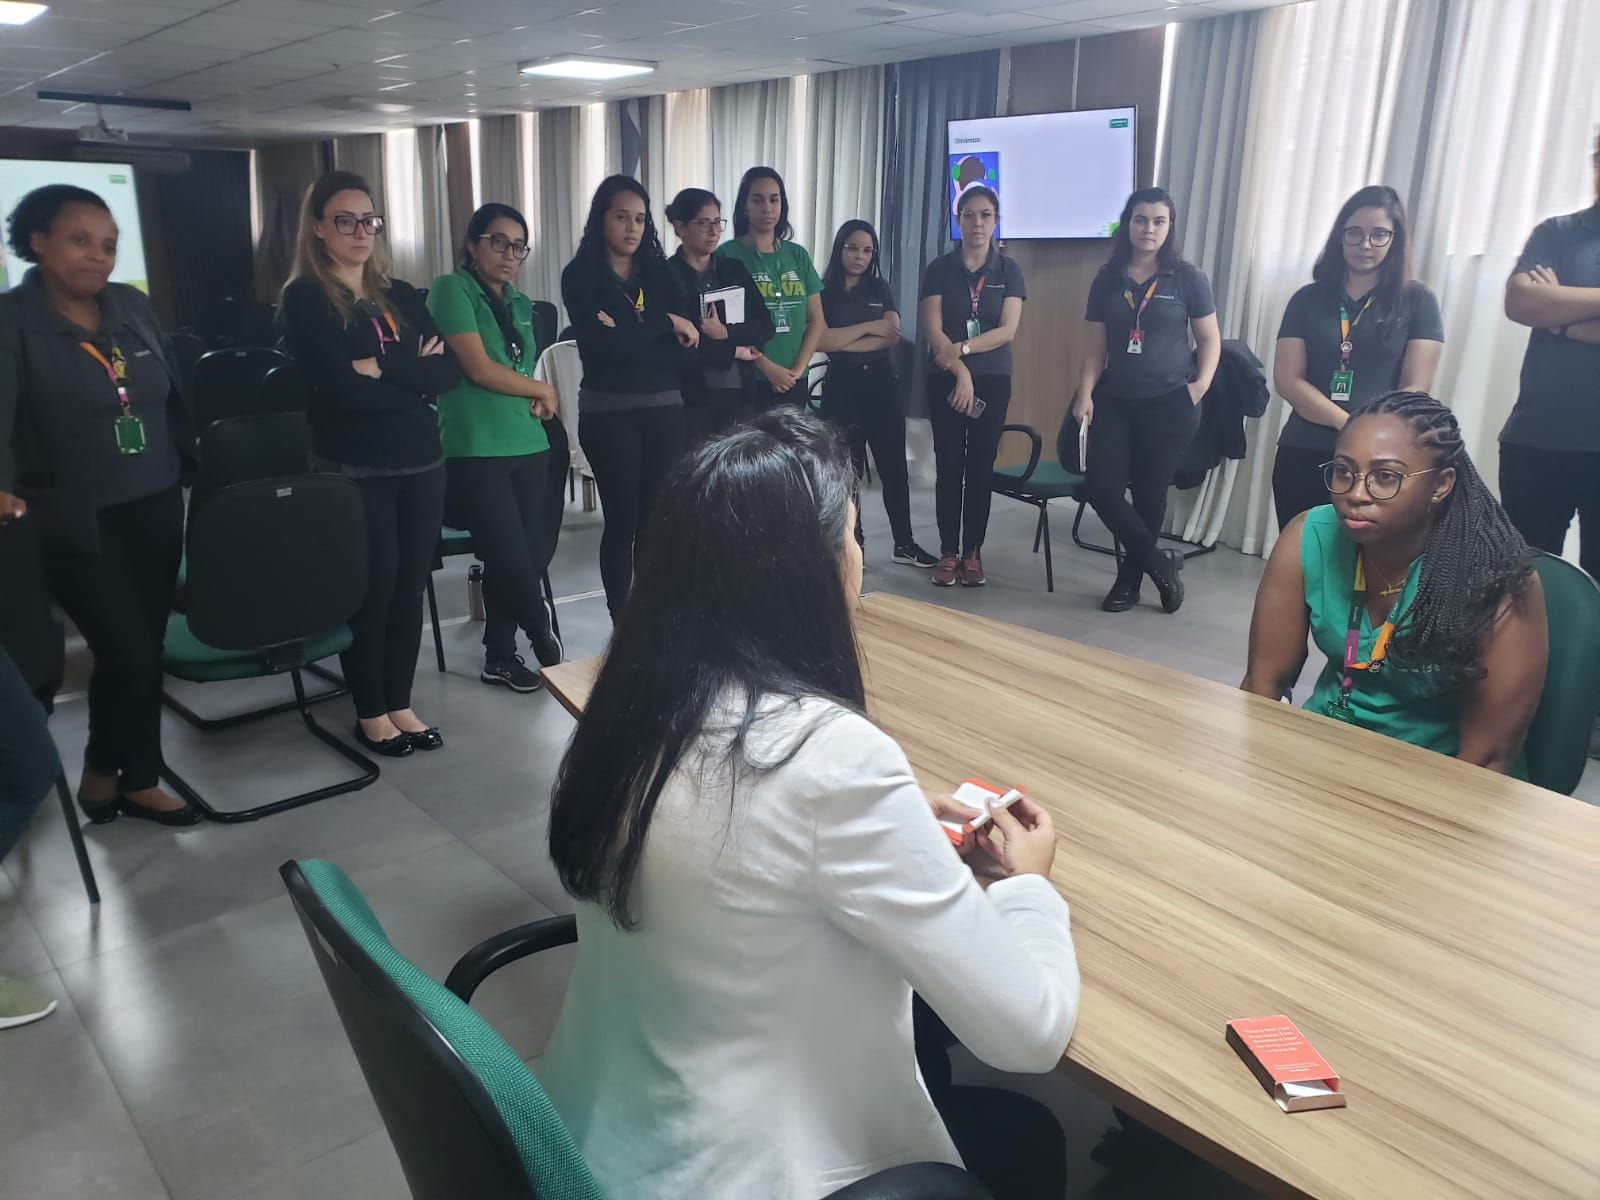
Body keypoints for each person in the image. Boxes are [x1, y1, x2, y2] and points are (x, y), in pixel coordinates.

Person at [541, 408, 1079, 1200]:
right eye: (852, 537)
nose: (859, 557)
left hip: (596, 1149)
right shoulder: (830, 760)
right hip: (742, 1175)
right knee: (1029, 1137)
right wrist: (1029, 885)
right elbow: (1029, 1036)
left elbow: (747, 834)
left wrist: (890, 825)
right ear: (813, 572)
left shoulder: (632, 710)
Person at [0, 184, 198, 825]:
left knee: (140, 649)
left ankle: (129, 777)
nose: (98, 255)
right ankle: (108, 768)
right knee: (129, 650)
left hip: (156, 502)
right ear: (38, 241)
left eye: (109, 245)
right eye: (80, 240)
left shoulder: (131, 305)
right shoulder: (12, 319)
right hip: (72, 517)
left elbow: (165, 391)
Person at [1242, 391, 1546, 775]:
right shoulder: (1309, 537)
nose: (1356, 494)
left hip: (1434, 777)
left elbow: (1487, 760)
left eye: (1385, 477)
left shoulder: (1494, 580)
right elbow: (1262, 685)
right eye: (1344, 471)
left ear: (1441, 484)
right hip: (1323, 752)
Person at [278, 170, 461, 758]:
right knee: (374, 592)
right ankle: (370, 711)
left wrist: (382, 367)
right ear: (317, 228)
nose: (361, 231)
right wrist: (411, 374)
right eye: (345, 220)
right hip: (356, 468)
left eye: (369, 220)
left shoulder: (399, 293)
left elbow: (447, 371)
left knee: (410, 589)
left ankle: (399, 701)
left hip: (421, 462)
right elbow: (338, 390)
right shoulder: (307, 298)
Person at [427, 202, 563, 695]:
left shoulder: (522, 303)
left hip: (528, 440)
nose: (509, 254)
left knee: (524, 556)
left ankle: (500, 657)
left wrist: (536, 394)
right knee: (506, 555)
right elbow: (479, 368)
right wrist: (543, 390)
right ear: (472, 244)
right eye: (498, 242)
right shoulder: (451, 289)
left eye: (519, 246)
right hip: (476, 445)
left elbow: (518, 367)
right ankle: (540, 629)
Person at [1076, 186, 1221, 615]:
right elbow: (1095, 346)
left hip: (1169, 402)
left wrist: (1200, 386)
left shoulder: (1188, 279)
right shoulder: (1108, 278)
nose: (1149, 229)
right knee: (1100, 489)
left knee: (1149, 494)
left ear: (1170, 227)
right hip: (1115, 400)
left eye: (1159, 221)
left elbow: (1209, 339)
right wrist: (1084, 392)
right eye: (1141, 220)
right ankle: (1160, 563)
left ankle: (1129, 581)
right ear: (1128, 224)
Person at [560, 174, 698, 619]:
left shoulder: (660, 274)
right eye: (622, 217)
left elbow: (683, 352)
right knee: (622, 522)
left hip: (665, 411)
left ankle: (653, 619)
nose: (632, 227)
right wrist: (665, 322)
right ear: (601, 218)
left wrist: (627, 329)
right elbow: (600, 348)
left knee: (657, 524)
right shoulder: (580, 276)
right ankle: (623, 622)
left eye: (639, 218)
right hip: (608, 414)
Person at [1271, 185, 1444, 529]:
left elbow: (1416, 385)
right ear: (1340, 237)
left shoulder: (1418, 300)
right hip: (1305, 447)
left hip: (1377, 458)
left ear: (1395, 239)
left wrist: (1367, 431)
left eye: (1379, 234)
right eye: (1354, 233)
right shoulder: (1307, 299)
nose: (1365, 244)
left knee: (1366, 557)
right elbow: (1288, 380)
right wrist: (1346, 423)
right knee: (1303, 552)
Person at [1498, 132, 1600, 585]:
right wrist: (1546, 310)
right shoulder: (1557, 233)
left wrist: (1558, 316)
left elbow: (1540, 308)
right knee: (1522, 584)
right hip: (1537, 439)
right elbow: (1521, 302)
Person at [919, 184, 1026, 587]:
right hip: (945, 380)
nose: (977, 222)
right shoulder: (939, 269)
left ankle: (973, 552)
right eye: (969, 215)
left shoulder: (1009, 271)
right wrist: (961, 372)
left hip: (993, 381)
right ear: (958, 220)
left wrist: (962, 349)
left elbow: (1007, 330)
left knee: (980, 468)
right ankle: (948, 552)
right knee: (948, 467)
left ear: (996, 222)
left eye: (985, 215)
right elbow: (932, 329)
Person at [817, 218, 935, 567]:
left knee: (894, 467)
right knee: (847, 470)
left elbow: (892, 336)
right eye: (853, 248)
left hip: (882, 384)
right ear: (840, 249)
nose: (860, 256)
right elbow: (822, 341)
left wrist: (844, 339)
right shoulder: (823, 290)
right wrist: (870, 327)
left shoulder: (881, 288)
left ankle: (904, 543)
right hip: (841, 386)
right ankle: (854, 544)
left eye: (868, 250)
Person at [664, 186, 775, 441]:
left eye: (717, 222)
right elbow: (679, 344)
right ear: (680, 228)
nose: (714, 231)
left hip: (741, 392)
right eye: (704, 223)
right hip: (690, 396)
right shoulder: (666, 275)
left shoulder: (733, 269)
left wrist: (725, 332)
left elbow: (764, 326)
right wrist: (733, 350)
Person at [715, 166, 826, 409]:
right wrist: (768, 367)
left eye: (774, 200)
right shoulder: (727, 254)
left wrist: (797, 370)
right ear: (745, 206)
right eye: (758, 200)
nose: (767, 207)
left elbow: (816, 320)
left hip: (795, 378)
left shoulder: (798, 255)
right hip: (750, 378)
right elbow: (726, 326)